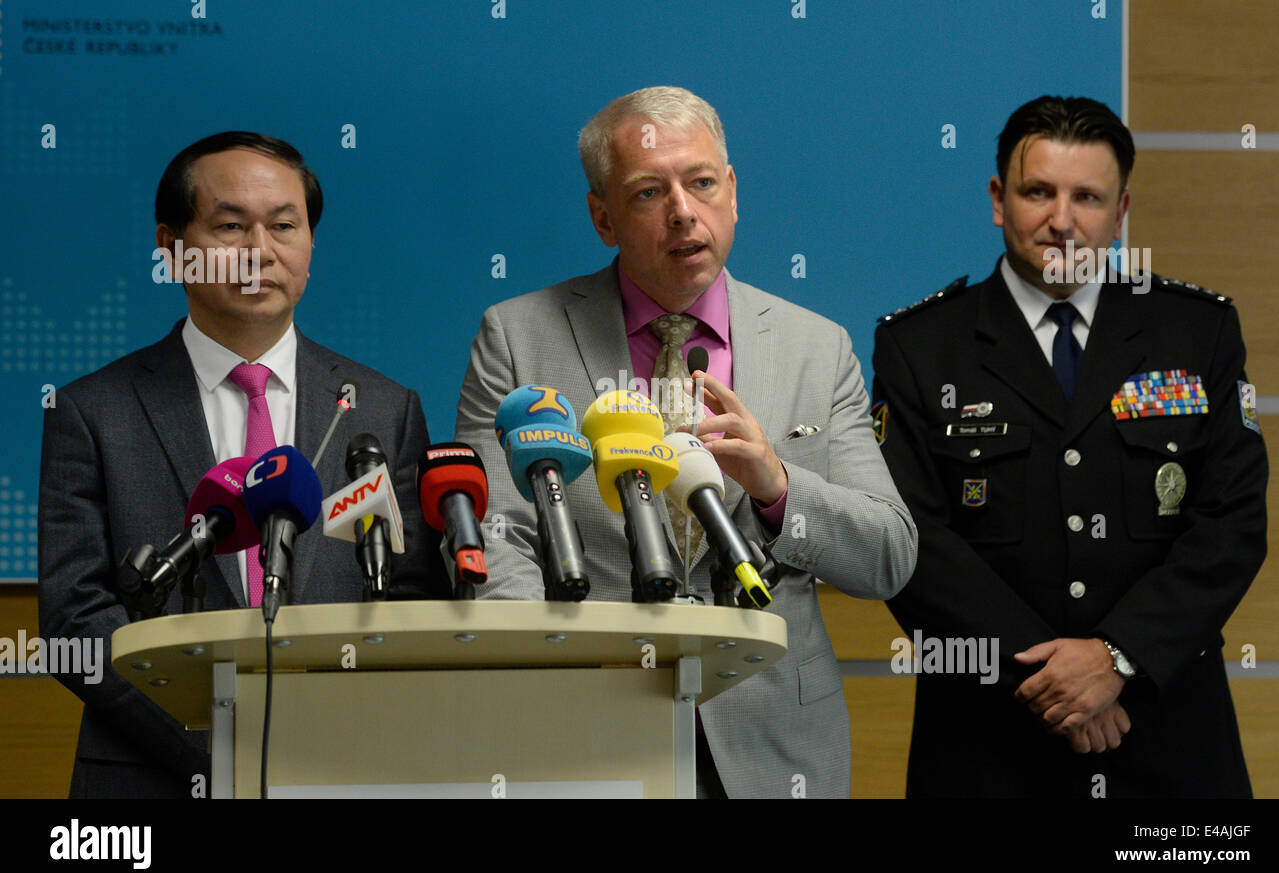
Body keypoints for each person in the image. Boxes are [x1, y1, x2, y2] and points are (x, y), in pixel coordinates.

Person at [455, 86, 917, 798]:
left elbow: (887, 554)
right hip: (584, 731)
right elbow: (495, 537)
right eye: (648, 192)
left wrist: (777, 488)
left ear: (732, 192)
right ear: (602, 217)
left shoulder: (816, 348)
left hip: (773, 745)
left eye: (701, 182)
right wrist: (568, 663)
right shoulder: (518, 336)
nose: (682, 211)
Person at [872, 95, 1267, 797]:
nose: (1062, 221)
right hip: (985, 744)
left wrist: (1118, 658)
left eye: (1087, 197)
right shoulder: (919, 347)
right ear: (998, 199)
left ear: (1121, 213)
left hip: (1168, 737)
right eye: (1038, 192)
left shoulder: (1196, 331)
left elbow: (1232, 525)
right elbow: (912, 544)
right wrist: (1052, 681)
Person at [38, 131, 450, 798]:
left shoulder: (382, 408)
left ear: (310, 248)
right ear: (171, 250)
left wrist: (330, 739)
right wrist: (219, 747)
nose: (259, 251)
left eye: (285, 225)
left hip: (342, 771)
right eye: (230, 226)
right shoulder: (93, 410)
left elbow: (410, 593)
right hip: (154, 777)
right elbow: (73, 619)